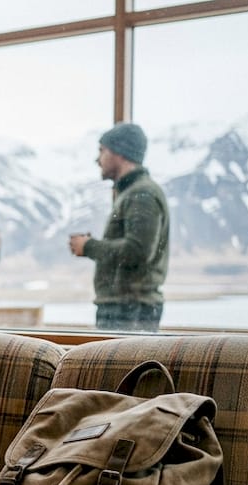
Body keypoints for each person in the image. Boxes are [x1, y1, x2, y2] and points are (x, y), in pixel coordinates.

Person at [69, 122, 170, 332]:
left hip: (129, 310)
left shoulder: (141, 195)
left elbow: (138, 251)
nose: (97, 159)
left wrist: (89, 246)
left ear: (119, 153)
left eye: (102, 151)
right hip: (126, 307)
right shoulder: (134, 193)